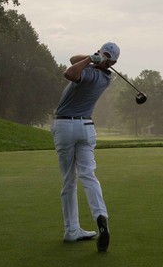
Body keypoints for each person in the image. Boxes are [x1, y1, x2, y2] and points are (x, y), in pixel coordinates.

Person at [50, 42, 120, 252]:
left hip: (65, 126)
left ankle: (72, 230)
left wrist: (91, 59)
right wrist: (95, 56)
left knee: (68, 180)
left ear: (112, 62)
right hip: (86, 127)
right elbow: (73, 58)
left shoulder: (91, 75)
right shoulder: (107, 76)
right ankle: (101, 217)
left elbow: (70, 71)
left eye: (105, 55)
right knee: (89, 175)